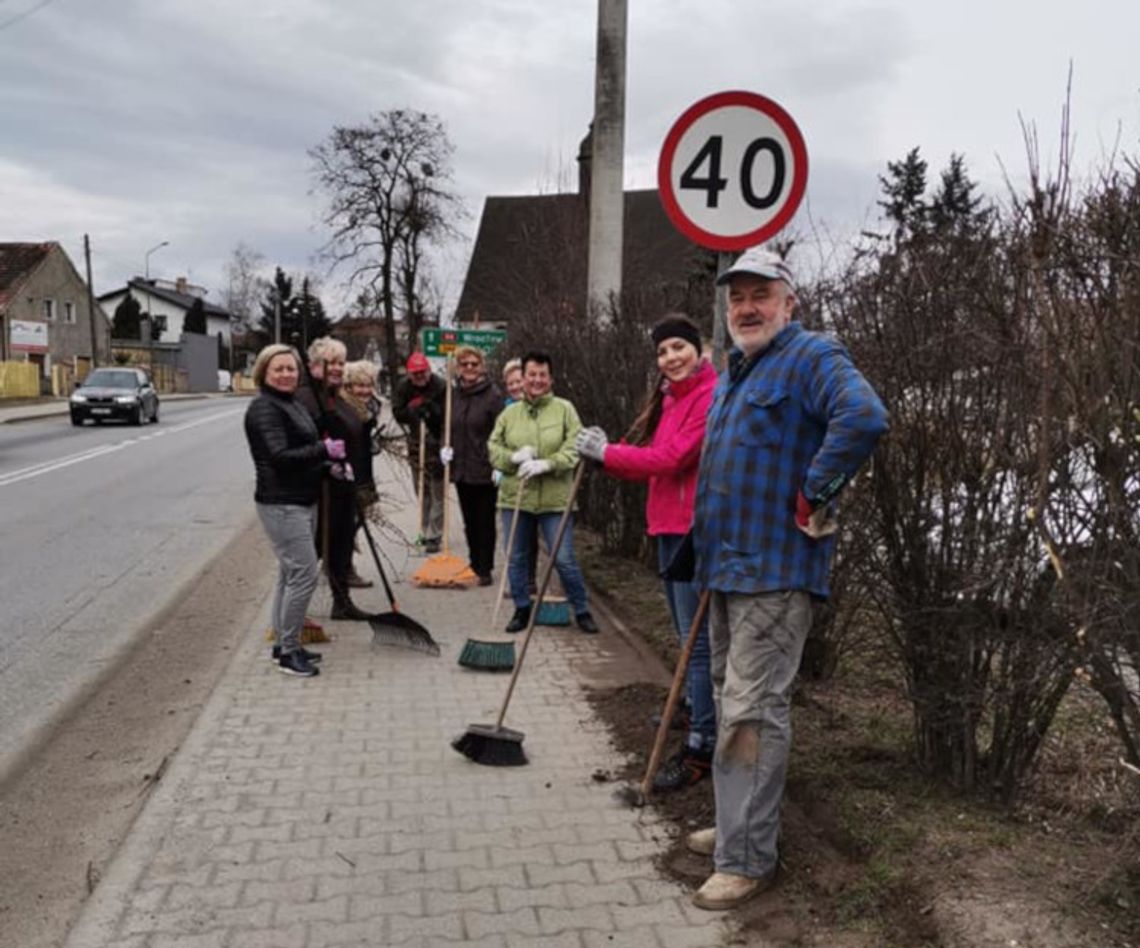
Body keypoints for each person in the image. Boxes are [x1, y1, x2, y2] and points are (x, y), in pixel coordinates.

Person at [685, 247, 888, 911]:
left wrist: (814, 493)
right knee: (727, 702)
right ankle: (740, 824)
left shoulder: (810, 356)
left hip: (774, 573)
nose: (747, 307)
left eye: (760, 295)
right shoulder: (741, 369)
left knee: (752, 714)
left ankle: (747, 858)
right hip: (728, 568)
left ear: (788, 301)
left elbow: (864, 416)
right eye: (737, 296)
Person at [576, 314, 718, 791]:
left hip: (692, 529)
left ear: (699, 350)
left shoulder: (709, 397)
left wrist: (607, 454)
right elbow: (652, 456)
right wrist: (605, 449)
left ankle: (702, 744)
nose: (671, 357)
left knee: (696, 643)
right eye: (662, 351)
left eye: (679, 347)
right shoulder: (671, 398)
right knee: (686, 638)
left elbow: (673, 459)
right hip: (668, 525)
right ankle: (696, 708)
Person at [244, 343, 339, 677]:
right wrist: (322, 449)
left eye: (291, 368)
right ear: (264, 373)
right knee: (305, 574)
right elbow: (279, 457)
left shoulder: (291, 402)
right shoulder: (263, 409)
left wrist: (328, 466)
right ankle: (288, 651)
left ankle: (284, 645)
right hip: (281, 503)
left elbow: (303, 453)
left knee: (289, 574)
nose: (286, 374)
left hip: (301, 497)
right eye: (279, 369)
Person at [488, 351, 598, 634]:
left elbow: (575, 447)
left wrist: (548, 464)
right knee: (516, 556)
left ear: (551, 378)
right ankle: (522, 609)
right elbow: (493, 449)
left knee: (563, 558)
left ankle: (582, 608)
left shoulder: (565, 410)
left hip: (555, 499)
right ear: (522, 379)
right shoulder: (509, 414)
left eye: (542, 375)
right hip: (516, 498)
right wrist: (512, 458)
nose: (537, 380)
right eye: (531, 375)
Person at [296, 336, 371, 621]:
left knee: (340, 545)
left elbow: (351, 427)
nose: (338, 368)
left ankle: (342, 602)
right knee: (313, 549)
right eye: (331, 363)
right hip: (317, 487)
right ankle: (292, 612)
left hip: (342, 485)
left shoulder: (335, 396)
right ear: (315, 365)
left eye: (341, 362)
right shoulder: (306, 397)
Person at [442, 346, 502, 585]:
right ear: (458, 367)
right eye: (464, 364)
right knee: (468, 520)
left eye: (474, 364)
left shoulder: (493, 396)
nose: (469, 368)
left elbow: (501, 430)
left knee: (485, 519)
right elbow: (448, 426)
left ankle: (485, 567)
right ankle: (474, 562)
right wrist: (445, 448)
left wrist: (498, 462)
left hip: (485, 468)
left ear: (481, 367)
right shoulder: (453, 395)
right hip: (462, 468)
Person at [392, 352, 446, 554]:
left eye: (422, 372)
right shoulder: (403, 387)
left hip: (437, 442)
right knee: (421, 490)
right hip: (416, 443)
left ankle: (435, 534)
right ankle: (424, 529)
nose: (419, 376)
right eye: (415, 374)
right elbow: (398, 413)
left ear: (429, 371)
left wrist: (432, 409)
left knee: (437, 491)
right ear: (409, 374)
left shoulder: (440, 386)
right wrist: (411, 411)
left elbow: (447, 414)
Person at [341, 360, 380, 588]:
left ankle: (339, 564)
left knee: (357, 519)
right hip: (350, 473)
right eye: (359, 386)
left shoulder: (368, 408)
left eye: (368, 385)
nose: (365, 390)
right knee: (348, 523)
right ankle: (344, 568)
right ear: (349, 386)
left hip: (364, 470)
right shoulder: (346, 410)